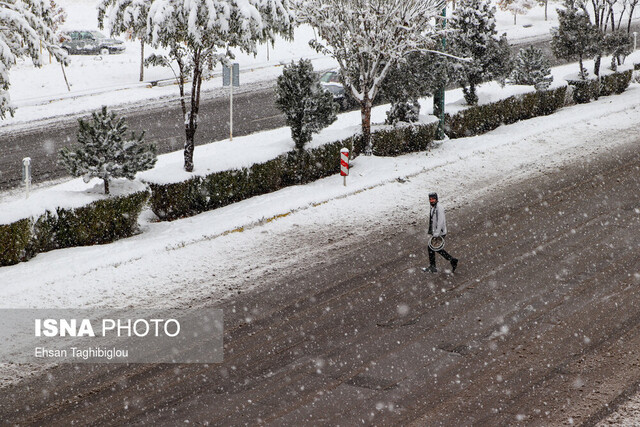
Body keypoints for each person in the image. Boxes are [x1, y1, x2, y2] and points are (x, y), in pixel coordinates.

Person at [423, 192, 458, 273]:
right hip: (437, 232)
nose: (431, 200)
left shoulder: (439, 208)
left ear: (436, 199)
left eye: (433, 199)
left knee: (432, 248)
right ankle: (451, 260)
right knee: (435, 248)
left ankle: (434, 266)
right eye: (430, 199)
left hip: (439, 233)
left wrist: (436, 233)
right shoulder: (433, 207)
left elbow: (440, 222)